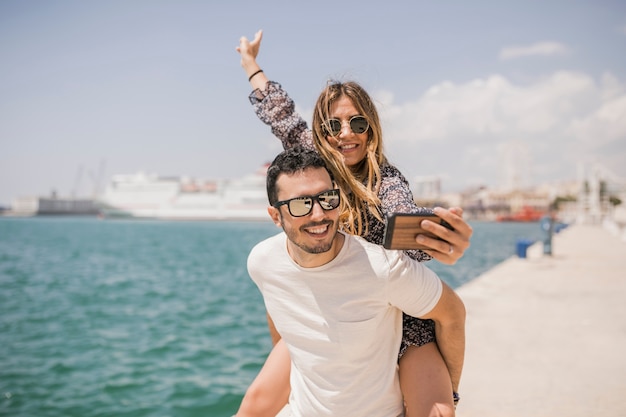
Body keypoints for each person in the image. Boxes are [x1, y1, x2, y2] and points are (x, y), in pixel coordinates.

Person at [236, 30, 472, 417]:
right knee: (252, 408)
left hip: (400, 314)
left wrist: (439, 240)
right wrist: (250, 63)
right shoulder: (310, 157)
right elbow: (277, 112)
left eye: (357, 123)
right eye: (334, 126)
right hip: (333, 308)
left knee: (439, 413)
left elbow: (405, 224)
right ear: (320, 132)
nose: (346, 134)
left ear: (371, 128)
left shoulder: (387, 181)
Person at [247, 146, 466, 416]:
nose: (318, 214)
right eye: (301, 204)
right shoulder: (262, 261)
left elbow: (452, 312)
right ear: (275, 216)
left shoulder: (383, 268)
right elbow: (278, 308)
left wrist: (450, 392)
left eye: (327, 198)